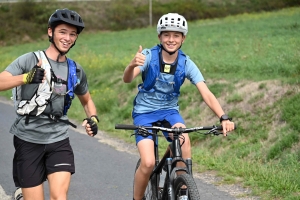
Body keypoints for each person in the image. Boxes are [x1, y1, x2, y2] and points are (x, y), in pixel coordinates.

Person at [123, 13, 235, 200]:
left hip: (169, 112)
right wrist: (131, 64)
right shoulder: (148, 56)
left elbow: (206, 93)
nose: (171, 39)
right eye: (166, 35)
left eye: (176, 35)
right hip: (144, 113)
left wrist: (223, 117)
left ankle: (182, 191)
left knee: (183, 140)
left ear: (183, 38)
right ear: (159, 37)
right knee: (149, 162)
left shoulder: (186, 63)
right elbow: (127, 79)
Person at [0, 8, 99, 200]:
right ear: (50, 32)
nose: (68, 38)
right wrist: (25, 77)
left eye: (73, 34)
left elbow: (87, 101)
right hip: (28, 139)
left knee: (59, 197)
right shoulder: (29, 60)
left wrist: (93, 118)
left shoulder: (76, 70)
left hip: (58, 140)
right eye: (63, 32)